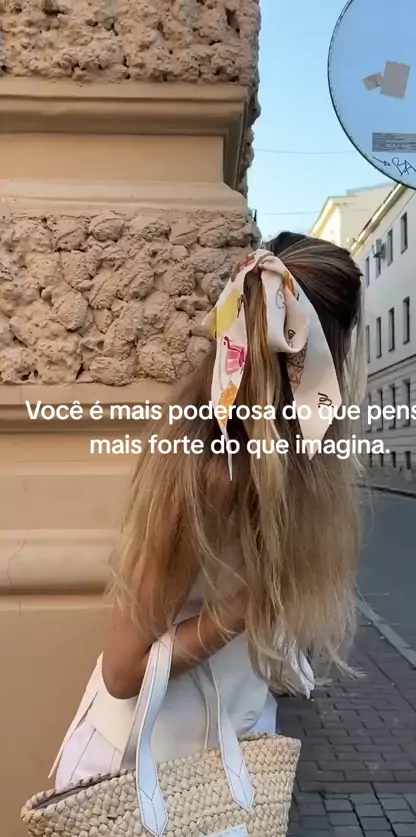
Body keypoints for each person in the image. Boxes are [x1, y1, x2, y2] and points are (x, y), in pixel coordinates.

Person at [51, 231, 364, 789]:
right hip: (142, 776)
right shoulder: (209, 466)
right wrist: (247, 608)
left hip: (224, 762)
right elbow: (124, 671)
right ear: (328, 353)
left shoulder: (289, 467)